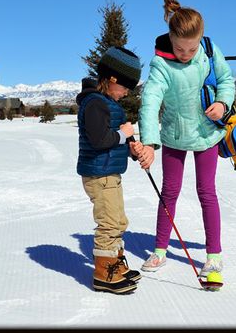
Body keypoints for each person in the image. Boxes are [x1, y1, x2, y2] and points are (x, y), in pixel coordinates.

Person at [135, 0, 235, 286]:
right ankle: (159, 249)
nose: (186, 55)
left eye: (192, 50)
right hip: (175, 137)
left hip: (207, 133)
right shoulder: (161, 64)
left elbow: (226, 81)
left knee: (207, 192)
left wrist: (223, 104)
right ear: (171, 39)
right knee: (170, 192)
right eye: (181, 49)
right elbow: (150, 100)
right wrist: (150, 143)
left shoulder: (208, 48)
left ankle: (213, 255)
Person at [76, 46, 143, 294]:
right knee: (109, 223)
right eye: (125, 87)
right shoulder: (95, 103)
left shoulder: (106, 103)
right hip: (99, 174)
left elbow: (112, 144)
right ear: (112, 79)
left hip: (108, 172)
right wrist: (123, 134)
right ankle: (105, 274)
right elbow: (99, 140)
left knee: (118, 220)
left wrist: (130, 149)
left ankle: (115, 263)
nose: (126, 93)